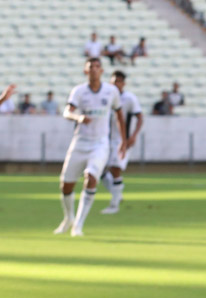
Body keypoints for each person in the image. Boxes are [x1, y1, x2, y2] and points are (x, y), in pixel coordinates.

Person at [55, 58, 126, 237]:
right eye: (90, 67)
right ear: (85, 71)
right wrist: (78, 117)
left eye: (97, 67)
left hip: (100, 143)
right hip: (80, 142)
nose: (94, 70)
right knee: (66, 186)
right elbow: (67, 111)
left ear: (101, 71)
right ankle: (68, 218)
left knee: (91, 177)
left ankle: (78, 225)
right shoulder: (79, 91)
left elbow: (119, 114)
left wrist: (123, 140)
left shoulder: (111, 92)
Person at [100, 70, 143, 215]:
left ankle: (114, 204)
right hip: (106, 138)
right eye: (113, 82)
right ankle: (117, 193)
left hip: (122, 140)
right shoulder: (106, 97)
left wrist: (134, 136)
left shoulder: (129, 98)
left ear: (123, 83)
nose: (115, 84)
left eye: (118, 81)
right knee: (99, 170)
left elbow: (140, 117)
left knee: (115, 168)